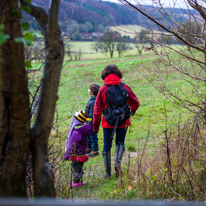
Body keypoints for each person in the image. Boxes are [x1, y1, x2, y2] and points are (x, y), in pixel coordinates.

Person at [93, 64, 140, 178]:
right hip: (123, 121)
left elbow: (97, 109)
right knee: (120, 143)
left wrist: (95, 127)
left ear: (105, 75)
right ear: (118, 74)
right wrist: (132, 111)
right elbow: (135, 102)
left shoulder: (103, 89)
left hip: (107, 122)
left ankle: (107, 173)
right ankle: (117, 165)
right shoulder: (125, 87)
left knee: (106, 145)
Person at [64, 111, 92, 187]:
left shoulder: (77, 132)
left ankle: (77, 182)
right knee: (77, 167)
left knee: (76, 169)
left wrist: (67, 155)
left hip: (77, 154)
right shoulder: (82, 129)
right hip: (81, 153)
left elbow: (72, 145)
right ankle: (78, 180)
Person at [85, 83, 101, 157]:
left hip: (91, 123)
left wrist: (90, 123)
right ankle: (88, 148)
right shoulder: (92, 99)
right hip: (89, 122)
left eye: (89, 89)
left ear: (92, 91)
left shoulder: (94, 102)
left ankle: (95, 150)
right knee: (89, 135)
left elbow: (92, 114)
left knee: (93, 136)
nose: (88, 90)